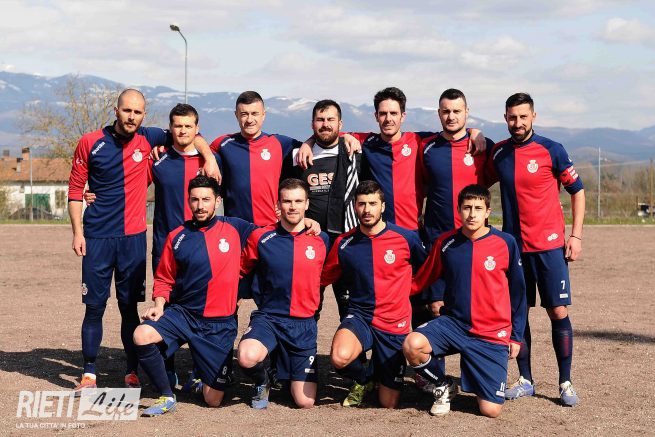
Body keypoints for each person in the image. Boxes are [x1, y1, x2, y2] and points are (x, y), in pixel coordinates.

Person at [67, 89, 218, 394]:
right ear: (116, 110)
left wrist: (209, 156)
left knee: (129, 308)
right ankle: (89, 372)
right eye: (127, 111)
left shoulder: (149, 138)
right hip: (96, 238)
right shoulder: (90, 142)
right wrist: (78, 232)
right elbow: (74, 190)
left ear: (144, 115)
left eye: (137, 112)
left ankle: (131, 372)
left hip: (133, 239)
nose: (131, 117)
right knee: (94, 307)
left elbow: (188, 134)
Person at [487, 92, 585, 407]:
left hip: (550, 247)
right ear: (505, 118)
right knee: (519, 313)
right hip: (515, 249)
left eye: (523, 117)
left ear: (533, 116)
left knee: (558, 311)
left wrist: (576, 235)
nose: (517, 123)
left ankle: (565, 382)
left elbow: (577, 191)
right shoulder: (498, 153)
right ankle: (525, 379)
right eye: (512, 117)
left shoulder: (552, 150)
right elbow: (477, 184)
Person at [132, 175, 257, 416]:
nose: (200, 206)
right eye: (195, 200)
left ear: (217, 201)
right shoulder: (177, 236)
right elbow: (164, 277)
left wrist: (307, 223)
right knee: (142, 334)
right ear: (188, 201)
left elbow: (271, 236)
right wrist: (159, 305)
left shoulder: (236, 227)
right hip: (184, 315)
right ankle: (167, 395)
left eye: (206, 200)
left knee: (213, 400)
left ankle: (206, 374)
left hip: (219, 324)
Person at [404, 184, 527, 418]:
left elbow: (518, 294)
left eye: (478, 208)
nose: (472, 214)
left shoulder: (506, 243)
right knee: (413, 344)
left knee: (490, 410)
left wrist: (516, 336)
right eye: (467, 208)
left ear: (488, 211)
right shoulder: (445, 243)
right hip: (454, 325)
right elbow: (420, 280)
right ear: (459, 210)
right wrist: (385, 290)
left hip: (491, 332)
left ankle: (481, 376)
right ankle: (443, 384)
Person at [321, 180, 427, 409]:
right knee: (339, 357)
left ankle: (381, 369)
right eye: (361, 204)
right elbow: (323, 276)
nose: (367, 210)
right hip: (361, 316)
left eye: (372, 204)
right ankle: (365, 379)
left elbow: (426, 270)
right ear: (354, 207)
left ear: (383, 206)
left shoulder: (406, 238)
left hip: (394, 322)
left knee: (388, 403)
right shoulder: (344, 243)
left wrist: (411, 291)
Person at [237, 178, 329, 409]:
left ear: (307, 204)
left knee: (305, 402)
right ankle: (263, 379)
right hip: (270, 318)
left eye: (298, 201)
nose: (292, 206)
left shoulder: (321, 239)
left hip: (303, 324)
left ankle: (284, 367)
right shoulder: (261, 237)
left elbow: (330, 274)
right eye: (287, 201)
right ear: (278, 205)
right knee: (246, 356)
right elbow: (240, 271)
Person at [288, 99, 360, 319]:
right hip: (312, 239)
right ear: (312, 124)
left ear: (340, 124)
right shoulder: (298, 156)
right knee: (309, 306)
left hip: (346, 240)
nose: (325, 124)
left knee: (350, 306)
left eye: (330, 119)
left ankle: (351, 343)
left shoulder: (354, 151)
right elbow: (286, 193)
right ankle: (306, 342)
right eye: (320, 119)